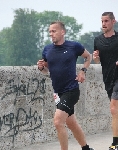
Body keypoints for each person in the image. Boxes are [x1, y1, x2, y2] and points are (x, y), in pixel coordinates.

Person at [37, 21, 94, 150]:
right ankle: (86, 148)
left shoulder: (73, 46)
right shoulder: (47, 49)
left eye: (54, 31)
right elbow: (47, 72)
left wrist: (82, 71)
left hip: (71, 90)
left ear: (62, 32)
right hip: (58, 92)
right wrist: (41, 68)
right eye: (50, 31)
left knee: (58, 122)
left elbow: (88, 57)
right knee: (71, 123)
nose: (51, 34)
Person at [93, 12, 118, 150]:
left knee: (114, 108)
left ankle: (115, 143)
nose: (103, 24)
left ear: (113, 22)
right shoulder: (97, 40)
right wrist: (95, 57)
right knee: (116, 111)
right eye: (102, 21)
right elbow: (98, 60)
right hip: (108, 78)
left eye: (106, 21)